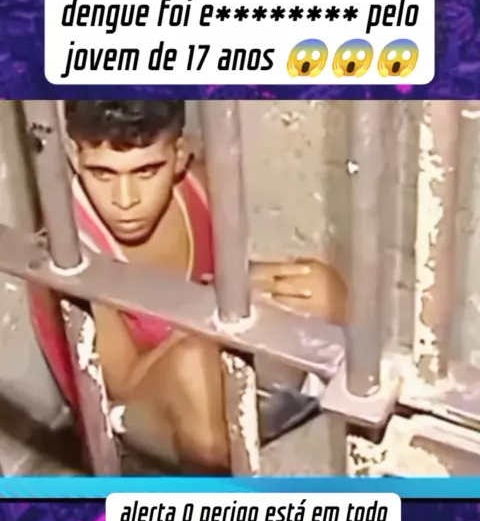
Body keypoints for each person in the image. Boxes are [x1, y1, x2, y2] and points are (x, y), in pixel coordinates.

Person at [29, 100, 347, 474]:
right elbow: (123, 388)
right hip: (135, 422)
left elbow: (218, 280)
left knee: (319, 288)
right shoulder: (70, 252)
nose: (125, 200)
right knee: (191, 367)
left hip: (205, 350)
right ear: (74, 157)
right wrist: (208, 313)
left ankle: (272, 428)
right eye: (102, 174)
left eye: (146, 171)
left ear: (180, 155)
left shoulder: (200, 186)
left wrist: (253, 285)